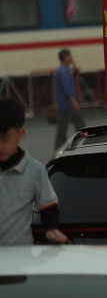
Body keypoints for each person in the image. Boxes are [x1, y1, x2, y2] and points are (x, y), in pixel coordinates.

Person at [0, 98, 67, 246]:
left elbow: (48, 206)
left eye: (5, 140)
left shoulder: (35, 170)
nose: (0, 146)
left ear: (21, 134)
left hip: (20, 256)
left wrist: (51, 229)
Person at [52, 48, 85, 149]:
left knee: (75, 125)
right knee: (67, 127)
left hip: (66, 104)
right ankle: (78, 143)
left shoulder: (64, 70)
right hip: (67, 105)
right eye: (70, 56)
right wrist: (74, 102)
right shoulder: (63, 71)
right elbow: (67, 88)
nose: (71, 58)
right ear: (65, 58)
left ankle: (62, 147)